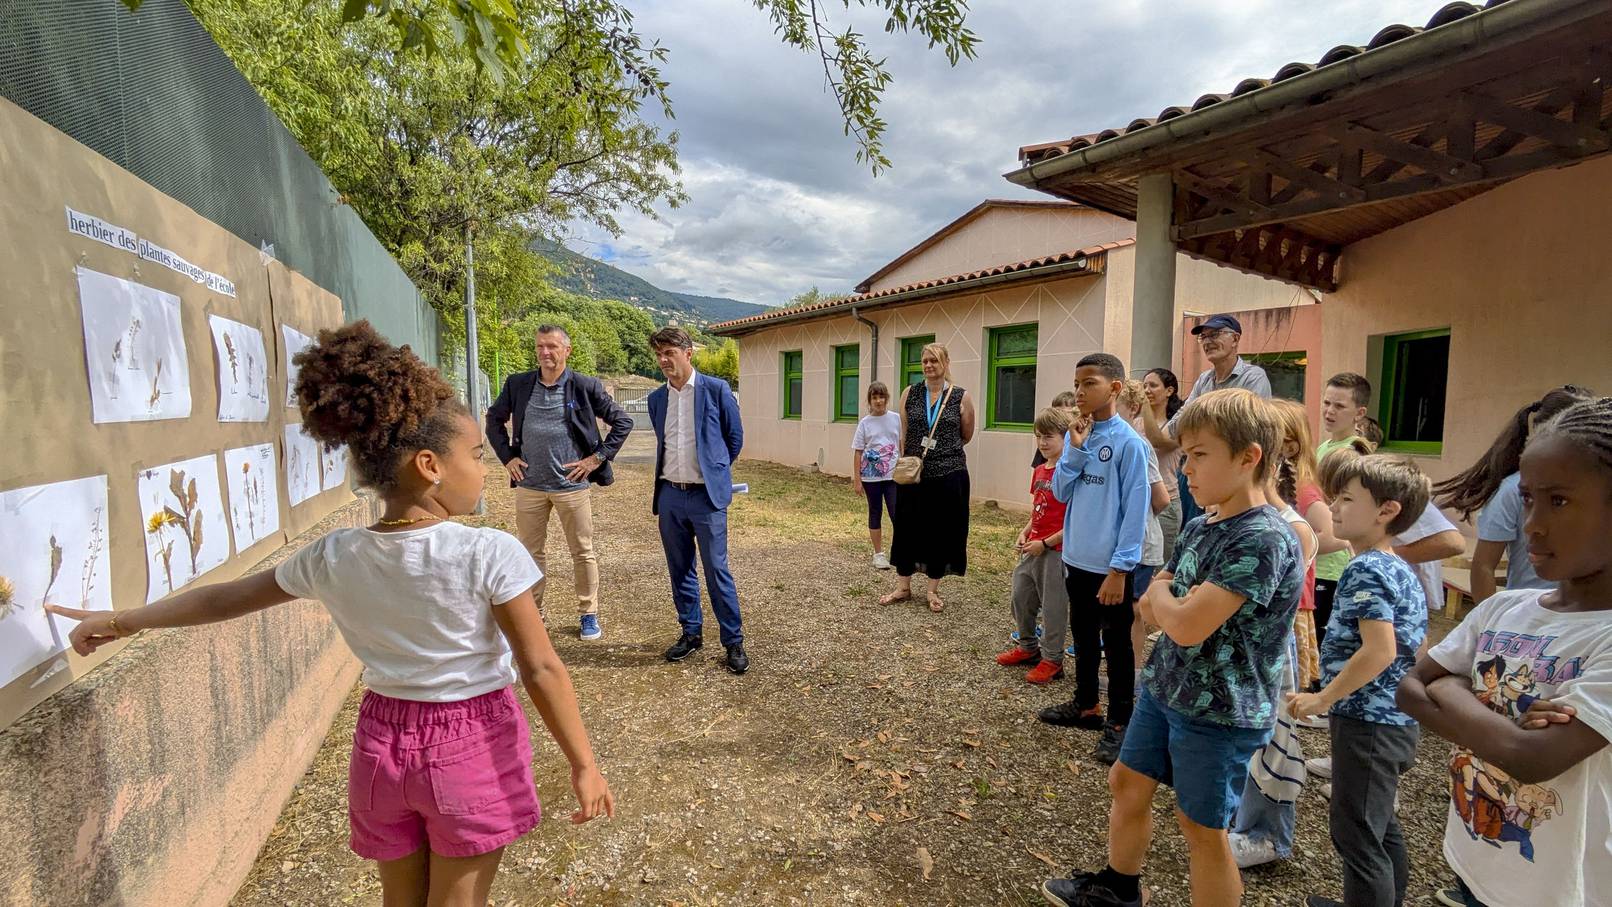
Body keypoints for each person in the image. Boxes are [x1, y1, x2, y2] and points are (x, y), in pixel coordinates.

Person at [49, 322, 614, 905]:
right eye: (473, 455)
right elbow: (541, 667)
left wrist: (122, 621)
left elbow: (225, 598)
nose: (483, 466)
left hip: (379, 746)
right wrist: (583, 763)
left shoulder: (335, 555)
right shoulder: (487, 552)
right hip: (469, 744)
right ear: (429, 465)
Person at [1041, 388, 1303, 907]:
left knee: (1202, 829)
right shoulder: (1205, 523)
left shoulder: (1262, 538)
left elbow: (1183, 622)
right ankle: (1119, 887)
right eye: (1184, 455)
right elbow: (1151, 603)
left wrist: (1165, 599)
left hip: (1219, 711)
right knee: (1127, 782)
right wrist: (1166, 599)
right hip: (1166, 689)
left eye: (1200, 455)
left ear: (1249, 456)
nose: (1185, 469)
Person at [1397, 397, 1612, 907]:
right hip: (1478, 861)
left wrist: (1450, 686)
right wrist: (1498, 721)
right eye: (1528, 499)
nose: (1531, 524)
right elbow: (1407, 689)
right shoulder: (1503, 609)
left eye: (1557, 501)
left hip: (1566, 890)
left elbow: (1530, 759)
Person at [1288, 455, 1430, 907]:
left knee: (1356, 832)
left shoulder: (1366, 568)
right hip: (1393, 721)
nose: (1334, 507)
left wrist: (1321, 700)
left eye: (1348, 499)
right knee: (1379, 824)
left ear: (1386, 511)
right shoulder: (1396, 567)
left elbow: (1380, 649)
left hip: (1369, 723)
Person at [1034, 355, 1151, 767]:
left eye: (1090, 383)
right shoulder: (1075, 436)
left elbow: (1136, 510)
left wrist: (1121, 568)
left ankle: (1120, 720)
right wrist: (1077, 450)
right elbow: (1062, 492)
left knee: (1116, 646)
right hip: (1076, 559)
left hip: (1110, 569)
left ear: (1115, 388)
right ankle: (1086, 705)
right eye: (1077, 384)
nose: (1080, 392)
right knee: (1082, 637)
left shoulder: (1130, 444)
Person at [486, 325, 634, 641]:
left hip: (572, 487)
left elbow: (623, 421)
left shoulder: (584, 386)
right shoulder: (518, 384)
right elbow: (493, 420)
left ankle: (588, 614)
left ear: (567, 350)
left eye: (552, 346)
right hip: (530, 485)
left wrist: (597, 458)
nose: (545, 352)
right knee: (530, 553)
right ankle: (534, 616)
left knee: (582, 552)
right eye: (540, 346)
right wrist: (508, 457)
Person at [645, 327, 748, 674]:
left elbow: (734, 439)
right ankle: (691, 633)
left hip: (706, 497)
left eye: (669, 352)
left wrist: (714, 472)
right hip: (671, 495)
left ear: (688, 353)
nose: (663, 360)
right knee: (680, 569)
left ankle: (733, 641)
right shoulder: (656, 399)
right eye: (658, 354)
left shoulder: (716, 390)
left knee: (716, 570)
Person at [1435, 385, 1595, 604]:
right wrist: (1489, 625)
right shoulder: (1514, 491)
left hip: (1589, 616)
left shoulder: (1598, 488)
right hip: (1531, 615)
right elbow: (1483, 566)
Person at [1138, 315, 1271, 528]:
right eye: (1204, 337)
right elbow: (1177, 427)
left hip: (1237, 478)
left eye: (1215, 334)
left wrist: (1200, 420)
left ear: (1235, 339)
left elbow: (1245, 428)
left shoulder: (1254, 377)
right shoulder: (1203, 380)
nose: (1208, 341)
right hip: (1198, 476)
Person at [880, 343, 976, 613]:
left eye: (934, 360)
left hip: (949, 473)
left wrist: (943, 450)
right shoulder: (910, 393)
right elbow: (904, 431)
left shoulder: (960, 396)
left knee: (941, 529)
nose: (928, 365)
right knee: (907, 526)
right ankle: (903, 586)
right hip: (915, 474)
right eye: (924, 361)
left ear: (946, 363)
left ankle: (932, 589)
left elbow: (966, 434)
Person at [996, 407, 1073, 684]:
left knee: (1053, 606)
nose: (1042, 442)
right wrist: (1025, 531)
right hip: (1033, 546)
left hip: (1056, 551)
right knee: (1021, 596)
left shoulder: (1070, 473)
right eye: (1039, 436)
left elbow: (1075, 520)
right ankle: (1028, 648)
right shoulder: (1040, 469)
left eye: (1049, 436)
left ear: (1066, 437)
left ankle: (1053, 659)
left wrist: (1047, 542)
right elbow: (1038, 508)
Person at [1312, 374, 1376, 649]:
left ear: (1359, 413)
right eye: (1326, 403)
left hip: (1335, 567)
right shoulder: (1323, 447)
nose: (1329, 411)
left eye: (1339, 406)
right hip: (1316, 561)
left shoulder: (1355, 453)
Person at [1117, 380, 1174, 684]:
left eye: (1116, 406)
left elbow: (1161, 499)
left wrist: (1137, 515)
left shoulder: (1138, 445)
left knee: (1132, 610)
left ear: (1132, 408)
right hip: (1129, 543)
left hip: (1141, 544)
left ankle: (1134, 672)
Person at [852, 381, 900, 570]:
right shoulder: (865, 423)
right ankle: (878, 554)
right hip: (871, 478)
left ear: (886, 398)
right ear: (869, 400)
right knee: (875, 512)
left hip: (893, 477)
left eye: (881, 397)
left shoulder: (896, 418)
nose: (878, 401)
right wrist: (857, 480)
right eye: (874, 397)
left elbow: (900, 444)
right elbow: (858, 452)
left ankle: (900, 552)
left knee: (897, 513)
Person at [1142, 368, 1185, 561]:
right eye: (1144, 386)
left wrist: (1143, 405)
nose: (1147, 390)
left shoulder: (1178, 425)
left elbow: (1157, 441)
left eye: (1153, 385)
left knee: (1161, 566)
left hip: (1167, 503)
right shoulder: (1135, 423)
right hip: (1140, 501)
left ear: (1169, 391)